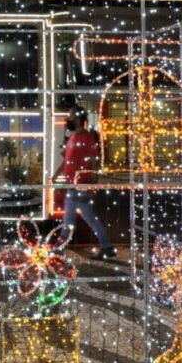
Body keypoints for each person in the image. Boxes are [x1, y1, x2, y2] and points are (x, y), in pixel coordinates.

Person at [51, 105, 117, 260]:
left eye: (71, 116)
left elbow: (94, 159)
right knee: (89, 217)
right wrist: (56, 175)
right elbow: (66, 160)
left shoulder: (87, 137)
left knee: (69, 218)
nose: (68, 118)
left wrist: (94, 180)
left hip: (80, 185)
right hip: (74, 185)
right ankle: (107, 247)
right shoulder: (73, 138)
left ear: (79, 119)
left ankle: (59, 246)